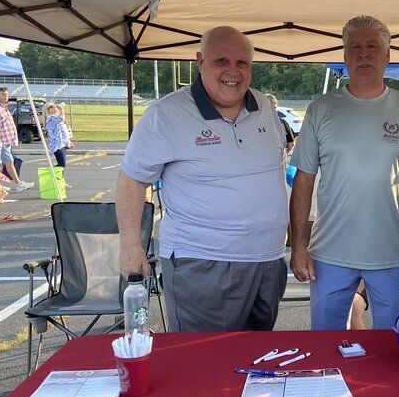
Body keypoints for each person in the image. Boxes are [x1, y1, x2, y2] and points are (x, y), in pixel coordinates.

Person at [117, 26, 289, 332]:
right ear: (200, 61)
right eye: (221, 61)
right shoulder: (167, 114)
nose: (233, 72)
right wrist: (131, 246)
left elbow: (275, 166)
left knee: (256, 364)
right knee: (203, 363)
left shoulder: (263, 105)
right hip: (203, 264)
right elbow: (132, 180)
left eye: (242, 63)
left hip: (267, 262)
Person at [290, 15, 399, 330]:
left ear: (387, 55)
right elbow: (303, 181)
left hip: (392, 255)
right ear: (344, 56)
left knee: (389, 349)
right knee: (326, 349)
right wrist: (299, 245)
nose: (364, 54)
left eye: (372, 47)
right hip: (330, 254)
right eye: (355, 47)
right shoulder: (321, 108)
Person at [0, 87, 33, 192]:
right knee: (9, 161)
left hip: (7, 140)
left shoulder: (4, 107)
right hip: (0, 141)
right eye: (3, 94)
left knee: (1, 163)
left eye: (7, 94)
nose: (5, 96)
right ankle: (18, 183)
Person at [45, 103, 73, 180]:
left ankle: (60, 180)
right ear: (48, 110)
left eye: (54, 106)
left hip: (62, 144)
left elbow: (64, 131)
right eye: (51, 107)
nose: (54, 107)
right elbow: (61, 118)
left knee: (62, 164)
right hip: (57, 145)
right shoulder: (51, 118)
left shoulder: (56, 118)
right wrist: (61, 109)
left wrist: (69, 141)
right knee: (62, 164)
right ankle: (52, 175)